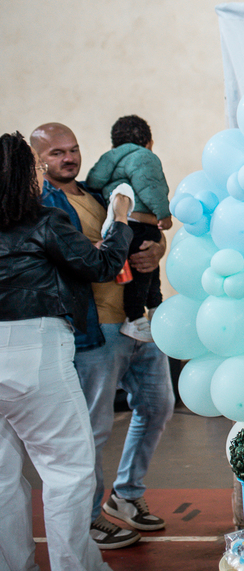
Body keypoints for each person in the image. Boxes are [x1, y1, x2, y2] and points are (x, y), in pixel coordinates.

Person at [32, 122, 172, 549]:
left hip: (138, 321)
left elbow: (139, 231)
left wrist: (156, 250)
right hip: (94, 329)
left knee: (158, 407)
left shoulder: (98, 192)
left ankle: (125, 496)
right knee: (92, 429)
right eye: (56, 153)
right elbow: (74, 257)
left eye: (73, 149)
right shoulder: (43, 204)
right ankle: (89, 518)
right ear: (39, 160)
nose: (68, 158)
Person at [0, 131, 133, 570]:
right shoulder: (44, 220)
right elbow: (103, 265)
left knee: (1, 480)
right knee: (67, 471)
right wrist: (120, 217)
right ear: (25, 175)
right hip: (33, 349)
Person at [85, 115, 173, 343]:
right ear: (149, 142)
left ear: (113, 145)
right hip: (141, 224)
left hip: (121, 223)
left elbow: (93, 181)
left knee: (145, 267)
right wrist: (164, 215)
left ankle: (153, 308)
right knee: (144, 272)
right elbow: (153, 188)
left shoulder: (109, 159)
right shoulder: (145, 157)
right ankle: (136, 318)